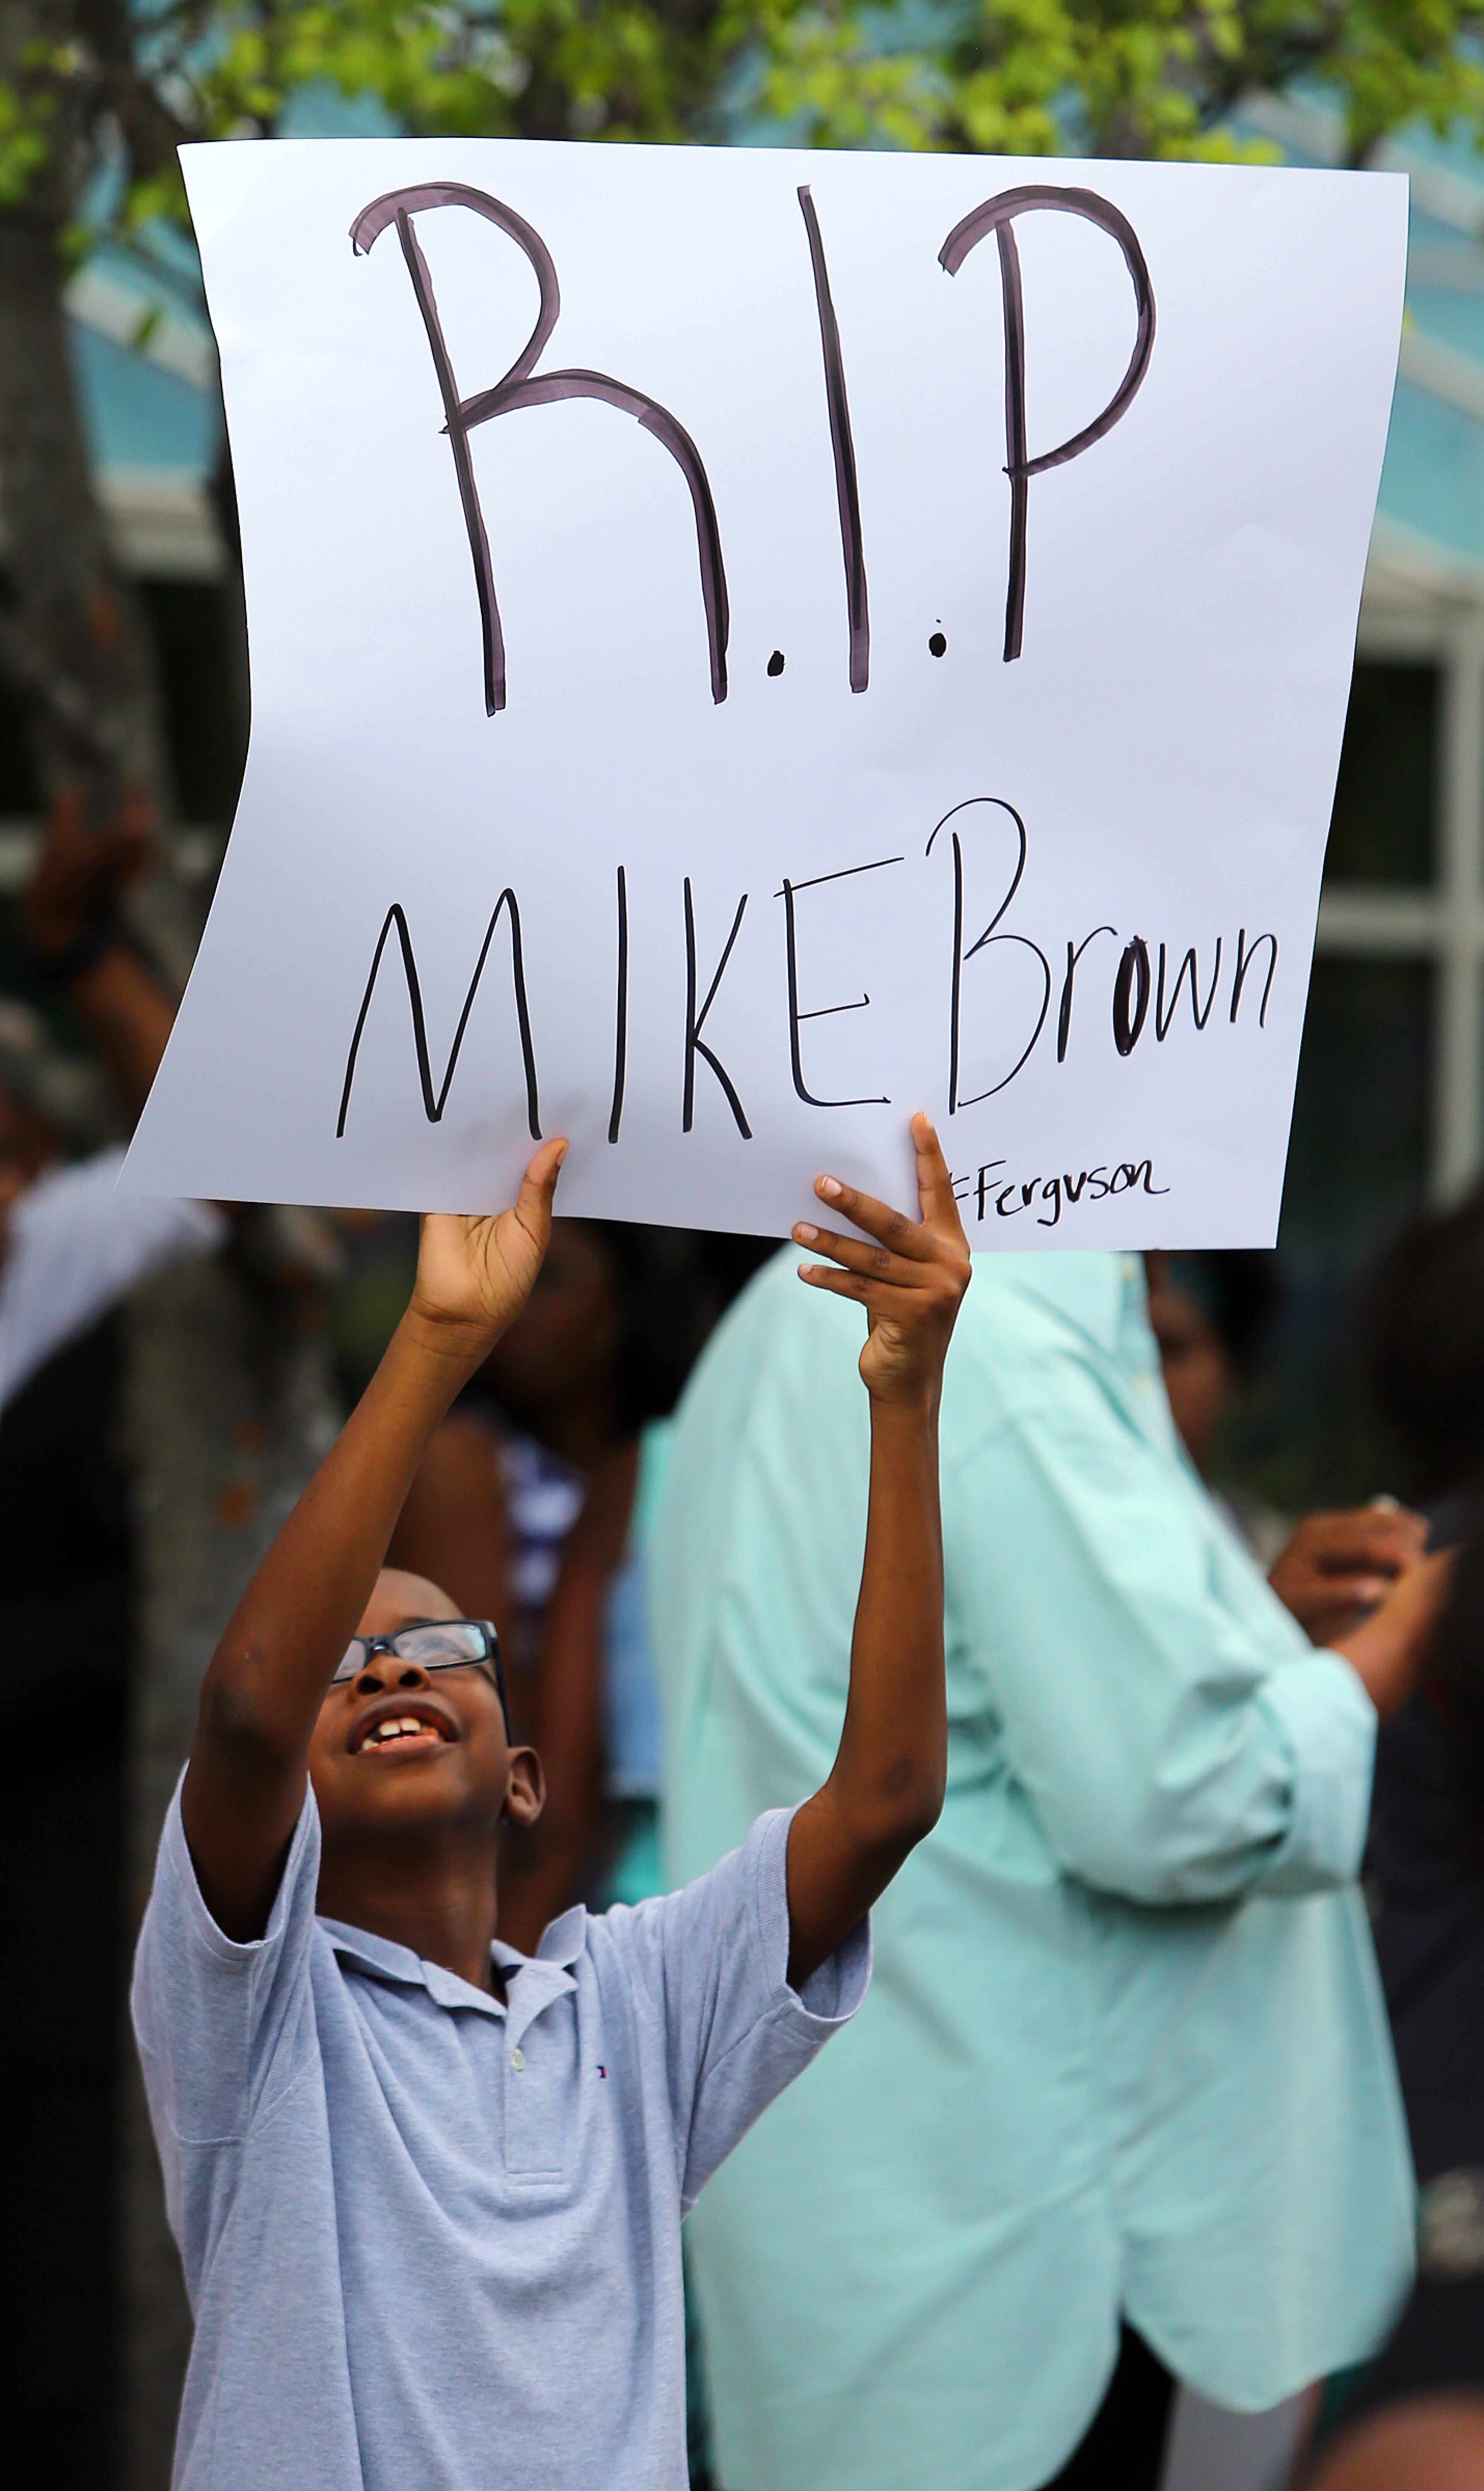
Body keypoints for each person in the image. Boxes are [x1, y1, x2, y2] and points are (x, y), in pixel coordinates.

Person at [131, 1116, 971, 2489]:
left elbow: (884, 1798)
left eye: (437, 1645)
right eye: (344, 1665)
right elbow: (241, 1714)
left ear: (525, 1777)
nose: (390, 1659)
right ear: (285, 1790)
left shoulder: (632, 2012)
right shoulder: (255, 2014)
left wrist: (905, 1396)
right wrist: (440, 1339)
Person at [653, 1242, 1448, 2491]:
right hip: (1014, 2246)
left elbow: (995, 1697)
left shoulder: (782, 1308)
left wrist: (1243, 1631)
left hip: (871, 2215)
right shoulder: (1003, 1325)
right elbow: (1175, 1799)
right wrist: (1407, 1641)